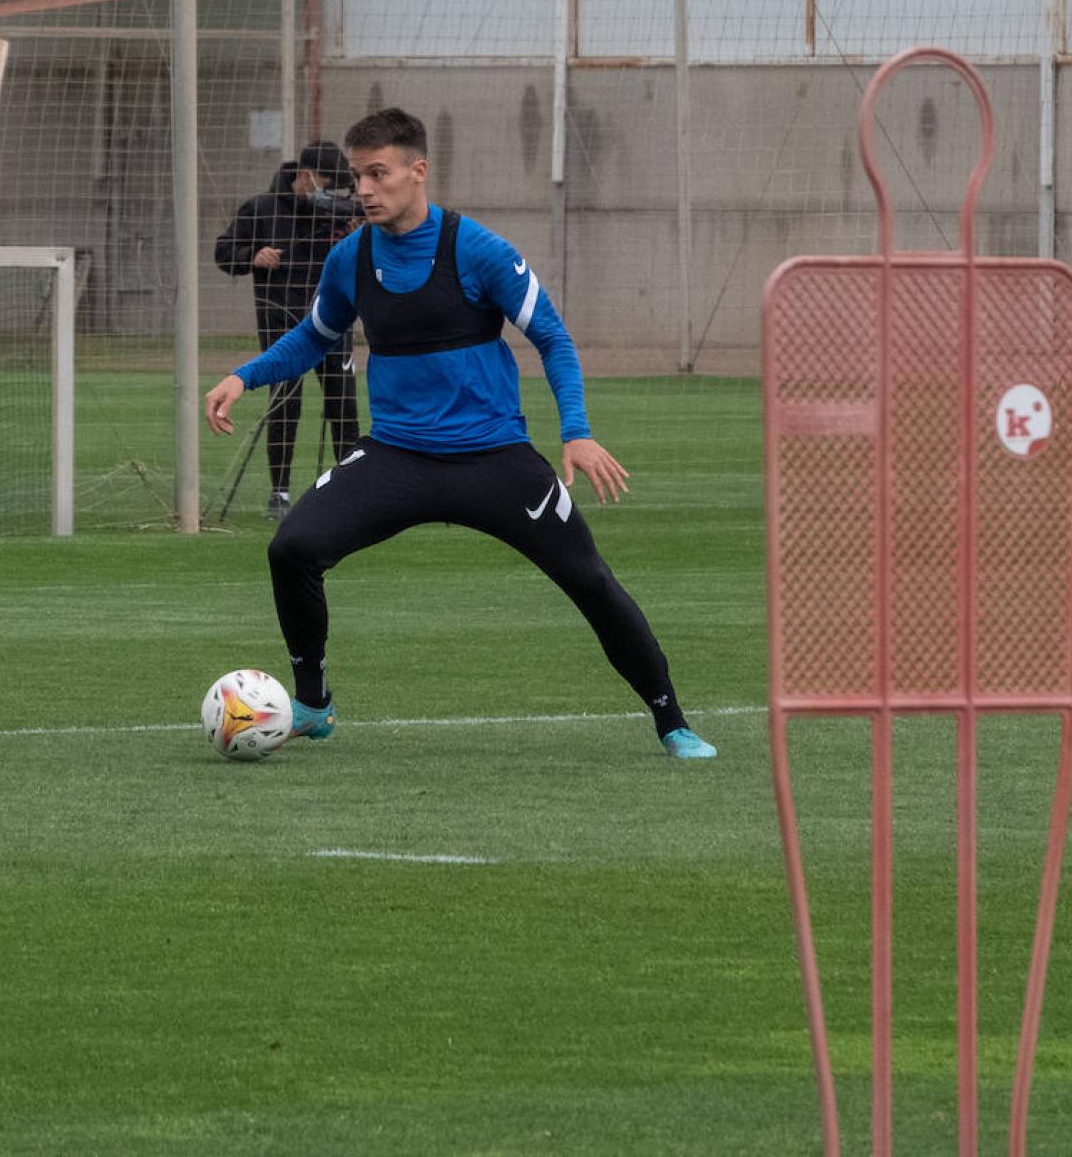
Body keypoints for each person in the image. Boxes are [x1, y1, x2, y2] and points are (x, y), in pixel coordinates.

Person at [203, 107, 716, 761]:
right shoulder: (349, 258)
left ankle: (671, 720)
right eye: (359, 175)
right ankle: (314, 703)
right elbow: (314, 337)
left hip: (494, 460)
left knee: (589, 580)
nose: (364, 189)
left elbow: (552, 339)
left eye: (378, 174)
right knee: (292, 548)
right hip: (396, 457)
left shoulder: (480, 251)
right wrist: (243, 377)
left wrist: (577, 432)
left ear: (418, 172)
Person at [214, 139, 362, 519]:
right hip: (281, 325)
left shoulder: (342, 213)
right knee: (285, 405)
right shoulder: (261, 208)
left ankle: (352, 489)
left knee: (343, 406)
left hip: (332, 324)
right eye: (326, 182)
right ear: (305, 175)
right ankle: (279, 492)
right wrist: (254, 257)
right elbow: (224, 252)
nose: (332, 192)